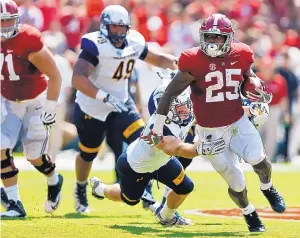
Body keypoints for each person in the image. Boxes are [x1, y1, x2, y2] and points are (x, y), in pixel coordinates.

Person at [148, 14, 286, 232]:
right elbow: (168, 95)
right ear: (202, 37)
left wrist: (255, 86)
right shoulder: (193, 59)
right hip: (209, 131)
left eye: (219, 38)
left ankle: (267, 187)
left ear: (229, 38)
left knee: (258, 159)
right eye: (209, 37)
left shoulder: (242, 53)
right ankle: (249, 213)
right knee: (236, 181)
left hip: (237, 121)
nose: (213, 42)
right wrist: (156, 127)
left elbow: (246, 77)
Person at [71, 5, 178, 213]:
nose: (119, 33)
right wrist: (104, 96)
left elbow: (158, 58)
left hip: (121, 103)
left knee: (145, 141)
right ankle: (81, 188)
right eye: (114, 28)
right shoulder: (95, 45)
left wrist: (180, 64)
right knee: (88, 153)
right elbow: (77, 78)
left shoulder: (134, 41)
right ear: (104, 26)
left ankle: (146, 190)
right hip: (92, 106)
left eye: (123, 28)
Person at [89, 74, 226, 226]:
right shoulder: (158, 128)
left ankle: (166, 216)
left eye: (185, 105)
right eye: (179, 107)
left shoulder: (180, 112)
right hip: (136, 166)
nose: (185, 110)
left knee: (186, 187)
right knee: (130, 199)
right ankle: (101, 189)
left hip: (161, 162)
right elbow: (180, 149)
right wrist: (204, 147)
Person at [0, 0, 63, 218]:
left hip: (36, 99)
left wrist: (51, 107)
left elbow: (55, 75)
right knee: (1, 145)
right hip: (7, 99)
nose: (4, 26)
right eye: (0, 21)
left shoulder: (28, 39)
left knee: (34, 155)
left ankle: (54, 180)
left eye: (7, 20)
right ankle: (14, 203)